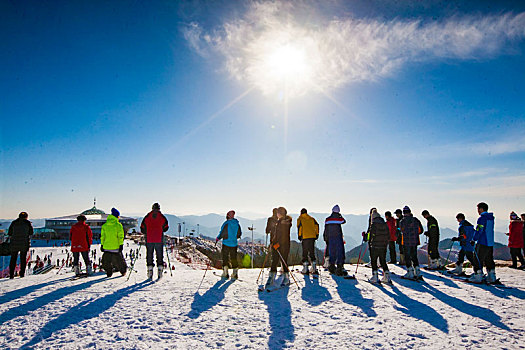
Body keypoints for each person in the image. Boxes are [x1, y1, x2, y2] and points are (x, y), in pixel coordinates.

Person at [140, 203, 169, 280]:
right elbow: (166, 228)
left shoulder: (147, 217)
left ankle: (150, 271)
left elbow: (142, 228)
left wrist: (147, 231)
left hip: (149, 239)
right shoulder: (162, 217)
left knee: (149, 255)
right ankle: (160, 270)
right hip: (159, 239)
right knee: (159, 255)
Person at [469, 202, 496, 283]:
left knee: (477, 258)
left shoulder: (482, 218)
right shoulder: (491, 218)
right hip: (490, 242)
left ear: (481, 209)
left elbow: (479, 230)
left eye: (478, 209)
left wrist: (474, 239)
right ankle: (491, 276)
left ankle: (478, 275)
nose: (477, 211)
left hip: (483, 241)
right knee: (489, 259)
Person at [266, 207, 292, 287]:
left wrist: (277, 243)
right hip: (281, 244)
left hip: (280, 245)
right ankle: (283, 277)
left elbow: (282, 235)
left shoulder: (282, 223)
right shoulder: (283, 222)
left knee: (278, 260)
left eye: (278, 212)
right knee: (281, 260)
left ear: (280, 213)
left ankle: (274, 277)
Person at [101, 208, 127, 277]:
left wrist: (102, 244)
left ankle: (109, 272)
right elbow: (120, 236)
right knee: (119, 261)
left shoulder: (105, 225)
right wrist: (121, 244)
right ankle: (123, 271)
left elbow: (103, 236)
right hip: (116, 247)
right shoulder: (118, 225)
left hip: (106, 247)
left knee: (106, 261)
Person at [399, 206, 424, 280]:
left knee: (407, 256)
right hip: (415, 241)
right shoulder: (416, 220)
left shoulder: (402, 221)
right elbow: (421, 230)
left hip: (406, 241)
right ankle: (417, 271)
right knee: (414, 256)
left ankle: (410, 272)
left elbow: (401, 230)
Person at [216, 210, 242, 279]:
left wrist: (218, 238)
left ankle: (225, 273)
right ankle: (235, 273)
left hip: (226, 243)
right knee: (234, 258)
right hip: (234, 243)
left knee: (225, 257)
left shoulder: (226, 223)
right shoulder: (237, 223)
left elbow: (222, 232)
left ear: (227, 215)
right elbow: (239, 233)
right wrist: (234, 238)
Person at [323, 205, 348, 276]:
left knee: (332, 251)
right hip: (338, 237)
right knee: (340, 251)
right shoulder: (339, 219)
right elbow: (344, 221)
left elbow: (326, 229)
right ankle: (339, 267)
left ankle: (332, 266)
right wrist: (340, 216)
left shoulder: (328, 219)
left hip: (330, 237)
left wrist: (325, 237)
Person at [8, 212, 33, 279]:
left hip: (14, 243)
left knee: (13, 258)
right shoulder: (28, 223)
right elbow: (31, 232)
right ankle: (22, 274)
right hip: (24, 243)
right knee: (23, 259)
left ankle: (11, 274)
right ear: (26, 217)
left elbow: (9, 233)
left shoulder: (14, 222)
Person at [368, 212, 391, 283]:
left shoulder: (374, 225)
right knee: (382, 260)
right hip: (383, 245)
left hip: (375, 245)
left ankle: (375, 276)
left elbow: (371, 236)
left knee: (374, 260)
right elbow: (388, 235)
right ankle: (386, 276)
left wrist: (367, 238)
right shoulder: (385, 224)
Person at [297, 208, 320, 274]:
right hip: (312, 237)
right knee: (312, 252)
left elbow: (299, 228)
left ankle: (305, 268)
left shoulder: (300, 219)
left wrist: (299, 236)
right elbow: (317, 225)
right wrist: (316, 234)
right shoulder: (312, 219)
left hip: (305, 237)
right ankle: (314, 268)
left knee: (305, 252)